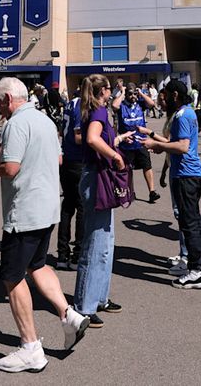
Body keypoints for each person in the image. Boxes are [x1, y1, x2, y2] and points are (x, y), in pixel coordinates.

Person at [0, 78, 90, 372]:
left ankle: (30, 347)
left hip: (24, 211)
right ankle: (69, 315)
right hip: (47, 206)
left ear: (7, 99)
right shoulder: (44, 120)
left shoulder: (15, 124)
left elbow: (10, 167)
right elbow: (56, 159)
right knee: (38, 265)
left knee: (12, 276)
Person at [142, 80, 201, 289]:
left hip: (186, 175)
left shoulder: (182, 115)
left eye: (167, 94)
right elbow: (177, 144)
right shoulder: (186, 113)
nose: (164, 98)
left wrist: (156, 144)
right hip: (189, 174)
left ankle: (196, 271)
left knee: (189, 223)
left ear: (175, 95)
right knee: (195, 220)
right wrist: (157, 142)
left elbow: (183, 146)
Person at [72, 75, 134, 323]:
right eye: (110, 88)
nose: (113, 92)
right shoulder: (97, 113)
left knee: (106, 243)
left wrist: (118, 140)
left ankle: (99, 297)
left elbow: (98, 140)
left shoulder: (95, 111)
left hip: (98, 176)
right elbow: (92, 139)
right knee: (96, 243)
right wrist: (116, 156)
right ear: (103, 91)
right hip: (96, 178)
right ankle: (85, 304)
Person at [56, 93, 86, 271]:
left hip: (66, 158)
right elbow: (78, 136)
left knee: (68, 205)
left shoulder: (69, 104)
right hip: (78, 160)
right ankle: (77, 254)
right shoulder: (80, 106)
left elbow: (61, 131)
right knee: (81, 206)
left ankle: (62, 254)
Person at [115, 84, 159, 204]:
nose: (132, 96)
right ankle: (130, 191)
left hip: (141, 142)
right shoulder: (122, 105)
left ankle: (152, 192)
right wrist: (123, 92)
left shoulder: (140, 103)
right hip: (127, 143)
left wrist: (142, 94)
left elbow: (151, 104)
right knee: (128, 169)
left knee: (147, 166)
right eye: (130, 94)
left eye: (134, 93)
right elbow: (114, 105)